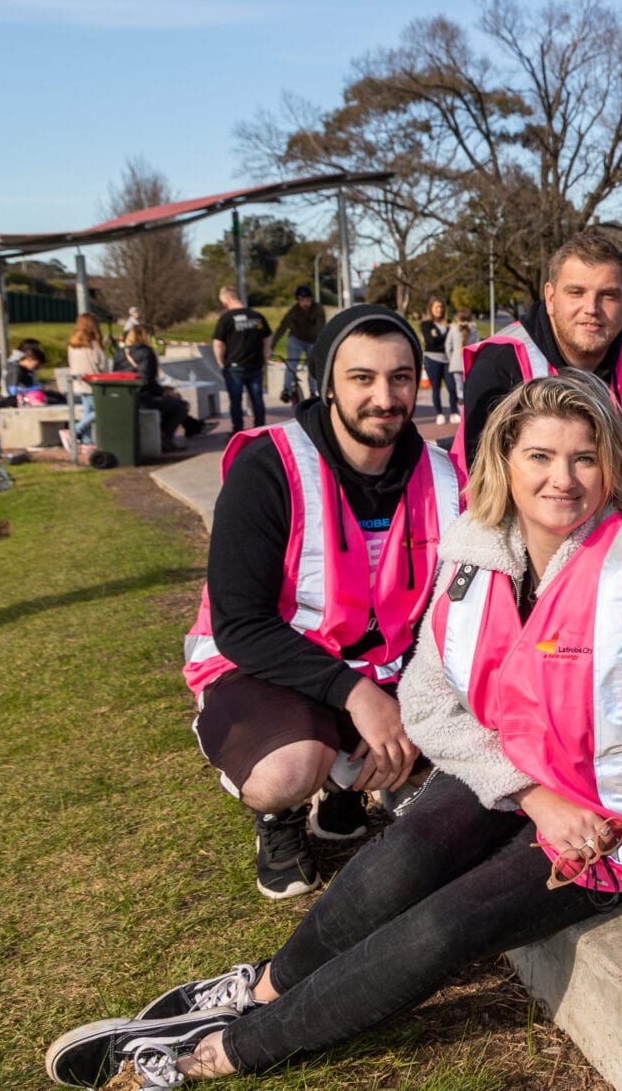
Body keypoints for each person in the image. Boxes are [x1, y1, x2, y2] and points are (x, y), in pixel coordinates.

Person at [44, 371, 622, 1088]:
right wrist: (530, 791)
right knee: (399, 858)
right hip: (516, 773)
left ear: (613, 468)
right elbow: (430, 700)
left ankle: (218, 1051)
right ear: (505, 461)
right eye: (540, 454)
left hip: (610, 815)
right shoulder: (475, 552)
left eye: (585, 458)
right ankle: (257, 989)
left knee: (444, 927)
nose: (563, 478)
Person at [180, 306, 461, 900]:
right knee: (286, 771)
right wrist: (360, 700)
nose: (385, 397)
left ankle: (344, 787)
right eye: (362, 378)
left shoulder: (442, 475)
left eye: (401, 377)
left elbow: (452, 611)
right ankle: (282, 813)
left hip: (382, 666)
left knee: (460, 759)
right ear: (327, 383)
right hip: (267, 666)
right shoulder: (269, 467)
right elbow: (240, 624)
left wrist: (414, 697)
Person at [453, 230, 622, 473]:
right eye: (576, 292)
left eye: (608, 295)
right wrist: (616, 469)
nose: (591, 308)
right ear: (551, 297)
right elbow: (484, 483)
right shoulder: (499, 364)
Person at [115, 326, 196, 452]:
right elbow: (147, 381)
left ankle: (189, 427)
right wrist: (164, 392)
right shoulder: (146, 352)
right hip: (142, 398)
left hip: (124, 397)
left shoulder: (119, 353)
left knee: (171, 401)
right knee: (181, 406)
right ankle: (165, 438)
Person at [212, 287, 273, 435]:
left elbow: (218, 343)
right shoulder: (256, 316)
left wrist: (221, 364)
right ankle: (260, 428)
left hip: (234, 366)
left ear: (226, 300)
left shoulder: (226, 318)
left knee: (235, 400)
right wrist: (266, 353)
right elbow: (268, 336)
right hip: (255, 364)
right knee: (257, 399)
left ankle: (237, 431)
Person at [271, 286, 324, 405]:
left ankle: (313, 391)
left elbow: (320, 328)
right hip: (296, 339)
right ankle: (286, 390)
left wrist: (320, 345)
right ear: (298, 300)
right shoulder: (294, 311)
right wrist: (271, 346)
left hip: (312, 339)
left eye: (308, 300)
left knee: (313, 364)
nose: (306, 303)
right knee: (291, 364)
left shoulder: (318, 309)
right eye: (302, 300)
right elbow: (282, 327)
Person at [67, 314, 115, 445]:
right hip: (93, 382)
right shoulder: (94, 345)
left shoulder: (72, 344)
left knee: (88, 411)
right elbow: (103, 365)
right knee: (103, 410)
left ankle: (86, 440)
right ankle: (75, 430)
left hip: (78, 382)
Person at [418, 297, 460, 425]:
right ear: (431, 309)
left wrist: (438, 338)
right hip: (432, 359)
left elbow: (452, 341)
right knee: (435, 387)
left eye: (441, 307)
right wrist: (444, 338)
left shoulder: (449, 323)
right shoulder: (425, 324)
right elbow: (431, 342)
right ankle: (439, 414)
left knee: (452, 387)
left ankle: (454, 412)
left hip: (448, 360)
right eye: (436, 307)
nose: (439, 310)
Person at [445, 310, 472, 417]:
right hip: (469, 363)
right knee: (469, 388)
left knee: (459, 389)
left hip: (456, 364)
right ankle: (469, 411)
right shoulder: (473, 330)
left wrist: (452, 359)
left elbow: (448, 347)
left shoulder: (453, 329)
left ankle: (462, 413)